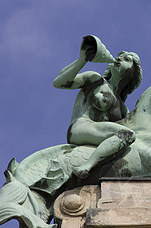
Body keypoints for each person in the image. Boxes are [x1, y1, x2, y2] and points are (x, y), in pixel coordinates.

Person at [53, 36, 142, 178]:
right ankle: (86, 166)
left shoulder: (123, 108)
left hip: (99, 136)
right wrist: (82, 59)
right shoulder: (95, 80)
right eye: (120, 56)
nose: (119, 59)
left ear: (132, 72)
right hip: (80, 128)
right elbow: (58, 82)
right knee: (127, 135)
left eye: (127, 59)